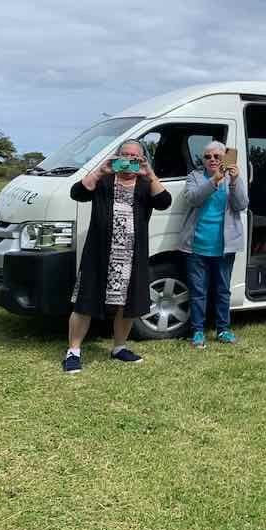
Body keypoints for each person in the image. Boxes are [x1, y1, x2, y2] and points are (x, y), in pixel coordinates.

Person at [62, 140, 171, 373]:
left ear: (142, 159)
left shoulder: (144, 183)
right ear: (117, 156)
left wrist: (149, 173)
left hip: (132, 255)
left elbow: (164, 202)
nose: (129, 160)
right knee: (85, 302)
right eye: (125, 155)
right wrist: (101, 169)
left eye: (135, 157)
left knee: (127, 304)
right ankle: (73, 351)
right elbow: (77, 193)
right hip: (99, 253)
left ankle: (119, 347)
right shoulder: (104, 179)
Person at [180, 141, 249, 348]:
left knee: (222, 290)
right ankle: (198, 331)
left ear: (224, 158)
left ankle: (223, 329)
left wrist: (235, 180)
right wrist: (214, 181)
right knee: (198, 291)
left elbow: (242, 204)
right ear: (203, 160)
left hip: (224, 247)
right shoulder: (195, 177)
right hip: (197, 245)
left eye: (217, 157)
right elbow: (192, 199)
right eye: (208, 157)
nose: (212, 160)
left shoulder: (233, 178)